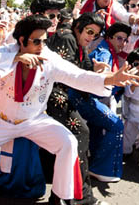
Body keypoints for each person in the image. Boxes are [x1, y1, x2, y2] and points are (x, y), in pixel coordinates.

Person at [0, 14, 139, 205]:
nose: (41, 46)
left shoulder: (48, 57)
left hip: (35, 121)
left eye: (44, 41)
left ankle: (61, 196)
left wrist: (110, 79)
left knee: (68, 142)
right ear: (21, 40)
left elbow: (77, 76)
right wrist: (16, 58)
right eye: (36, 41)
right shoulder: (7, 53)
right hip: (1, 121)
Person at [44, 12, 108, 205]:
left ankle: (64, 196)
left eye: (95, 35)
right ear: (79, 26)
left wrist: (99, 70)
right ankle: (80, 198)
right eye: (89, 31)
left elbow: (86, 68)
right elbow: (71, 74)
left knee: (73, 141)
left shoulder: (78, 41)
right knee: (80, 134)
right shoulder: (66, 37)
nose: (91, 37)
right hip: (50, 96)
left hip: (61, 96)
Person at [68, 22, 131, 183]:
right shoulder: (104, 52)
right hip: (82, 96)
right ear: (109, 37)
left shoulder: (107, 49)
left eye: (125, 40)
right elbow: (102, 71)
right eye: (119, 38)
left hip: (82, 95)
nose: (122, 43)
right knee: (116, 125)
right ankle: (102, 169)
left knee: (97, 126)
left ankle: (95, 163)